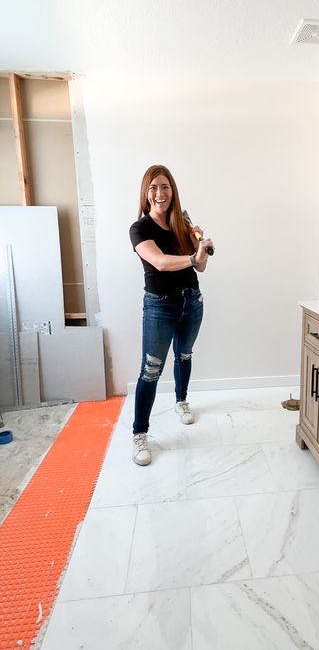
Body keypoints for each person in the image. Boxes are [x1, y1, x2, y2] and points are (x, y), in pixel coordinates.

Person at [129, 164, 214, 466]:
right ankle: (140, 434)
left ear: (172, 191)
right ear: (146, 193)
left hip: (192, 301)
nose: (160, 193)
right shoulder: (140, 229)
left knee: (185, 355)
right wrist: (192, 256)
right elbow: (161, 263)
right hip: (160, 307)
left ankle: (181, 401)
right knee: (150, 371)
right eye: (153, 188)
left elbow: (200, 267)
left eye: (165, 187)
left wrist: (200, 246)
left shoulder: (183, 224)